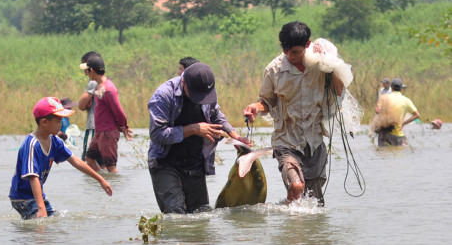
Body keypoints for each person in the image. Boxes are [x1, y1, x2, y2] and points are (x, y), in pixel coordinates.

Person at [243, 21, 346, 206]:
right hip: (286, 142)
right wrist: (256, 108)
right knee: (297, 186)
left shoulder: (320, 66)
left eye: (296, 52)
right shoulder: (274, 70)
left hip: (314, 142)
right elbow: (266, 101)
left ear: (308, 45)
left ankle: (290, 218)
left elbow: (338, 91)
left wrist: (330, 63)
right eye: (286, 51)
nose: (290, 56)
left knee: (315, 202)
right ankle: (288, 224)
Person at [148, 62, 251, 214]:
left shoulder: (206, 91)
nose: (201, 100)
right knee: (176, 215)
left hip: (195, 162)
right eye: (197, 96)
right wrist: (194, 129)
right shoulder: (164, 95)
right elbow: (157, 134)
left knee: (201, 214)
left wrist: (234, 136)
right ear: (184, 83)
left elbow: (216, 115)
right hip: (166, 163)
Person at [9, 97, 112, 220]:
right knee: (41, 223)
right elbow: (33, 176)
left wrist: (100, 179)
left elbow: (75, 161)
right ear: (44, 122)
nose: (61, 124)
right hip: (22, 197)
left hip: (37, 194)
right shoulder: (32, 144)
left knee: (54, 219)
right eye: (58, 120)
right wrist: (41, 208)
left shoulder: (55, 141)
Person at [80, 55, 133, 173]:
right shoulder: (99, 86)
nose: (86, 73)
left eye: (87, 71)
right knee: (89, 158)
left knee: (110, 166)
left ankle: (112, 187)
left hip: (107, 133)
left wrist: (123, 126)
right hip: (99, 132)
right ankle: (102, 180)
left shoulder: (108, 89)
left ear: (92, 71)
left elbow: (118, 110)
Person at [375, 78, 420, 146]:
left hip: (383, 132)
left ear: (392, 88)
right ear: (401, 89)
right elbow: (417, 115)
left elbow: (377, 111)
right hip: (397, 134)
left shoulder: (383, 98)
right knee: (397, 153)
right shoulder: (406, 100)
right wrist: (403, 123)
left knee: (383, 153)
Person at [78, 51, 102, 164]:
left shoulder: (93, 82)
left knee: (88, 162)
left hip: (93, 126)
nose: (84, 71)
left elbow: (81, 105)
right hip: (103, 127)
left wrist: (84, 103)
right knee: (102, 164)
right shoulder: (103, 82)